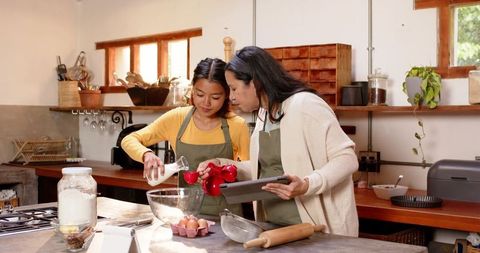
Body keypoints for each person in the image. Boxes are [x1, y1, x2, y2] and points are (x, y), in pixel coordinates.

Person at [197, 46, 359, 236]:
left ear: (255, 82)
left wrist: (307, 184)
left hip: (315, 231)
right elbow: (267, 170)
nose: (231, 97)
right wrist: (222, 165)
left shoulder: (306, 105)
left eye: (233, 88)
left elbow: (347, 158)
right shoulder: (264, 115)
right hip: (274, 228)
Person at [121, 57, 250, 216]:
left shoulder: (237, 125)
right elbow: (128, 140)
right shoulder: (177, 118)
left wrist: (221, 171)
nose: (206, 103)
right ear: (192, 89)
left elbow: (249, 175)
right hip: (187, 218)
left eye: (215, 97)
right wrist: (146, 155)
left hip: (228, 218)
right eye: (200, 94)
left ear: (227, 95)